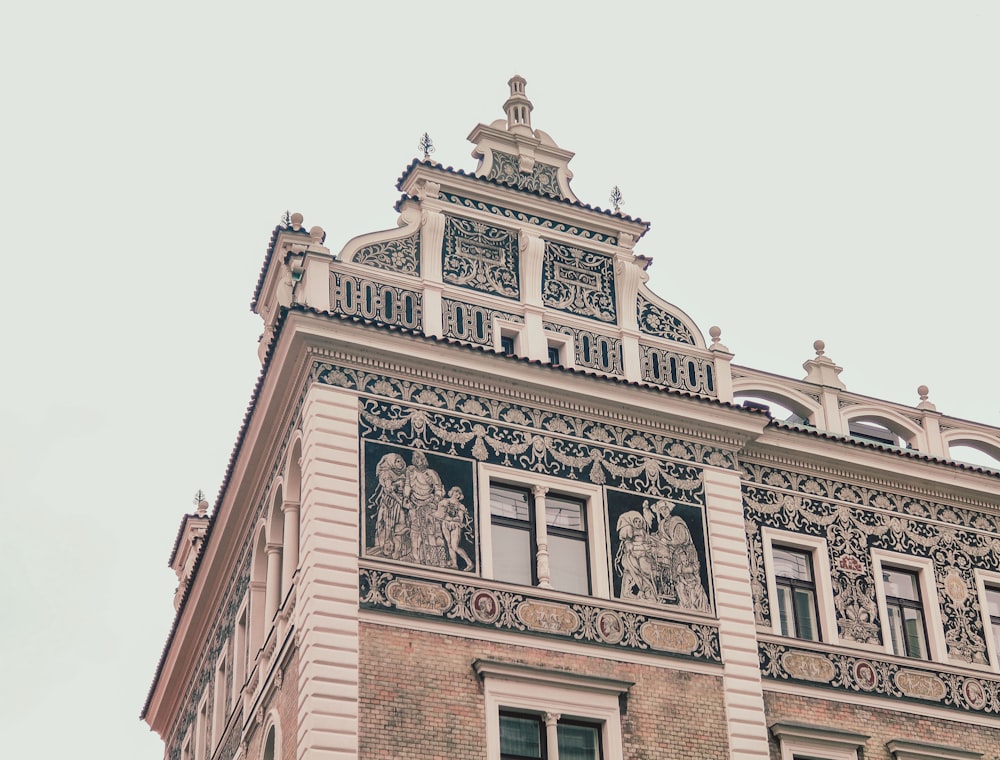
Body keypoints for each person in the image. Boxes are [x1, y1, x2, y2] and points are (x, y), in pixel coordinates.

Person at [402, 451, 446, 564]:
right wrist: (406, 497)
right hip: (414, 504)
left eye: (419, 458)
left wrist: (436, 500)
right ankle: (415, 556)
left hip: (428, 504)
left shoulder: (431, 473)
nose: (417, 461)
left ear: (424, 460)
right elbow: (407, 485)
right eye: (415, 458)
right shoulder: (410, 472)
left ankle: (433, 559)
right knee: (414, 530)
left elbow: (438, 488)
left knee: (431, 532)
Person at [434, 487, 473, 570]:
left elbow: (460, 518)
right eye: (455, 492)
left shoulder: (460, 506)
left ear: (460, 495)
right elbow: (439, 512)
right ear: (451, 492)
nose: (456, 494)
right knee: (449, 545)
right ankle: (454, 564)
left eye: (458, 493)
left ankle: (469, 563)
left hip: (455, 525)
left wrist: (454, 519)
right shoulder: (444, 502)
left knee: (454, 546)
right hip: (445, 524)